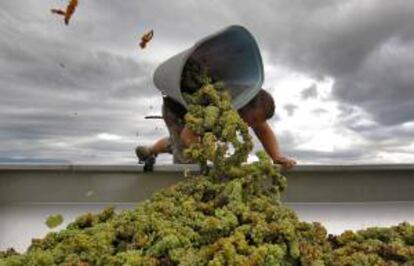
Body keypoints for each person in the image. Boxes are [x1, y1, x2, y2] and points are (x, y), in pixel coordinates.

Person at [136, 85, 296, 171]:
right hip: (177, 111)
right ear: (242, 105)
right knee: (187, 154)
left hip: (199, 122)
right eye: (252, 120)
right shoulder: (216, 105)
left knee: (177, 142)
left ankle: (149, 151)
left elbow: (263, 130)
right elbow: (187, 137)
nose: (251, 126)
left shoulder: (251, 110)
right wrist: (216, 160)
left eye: (257, 122)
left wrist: (277, 157)